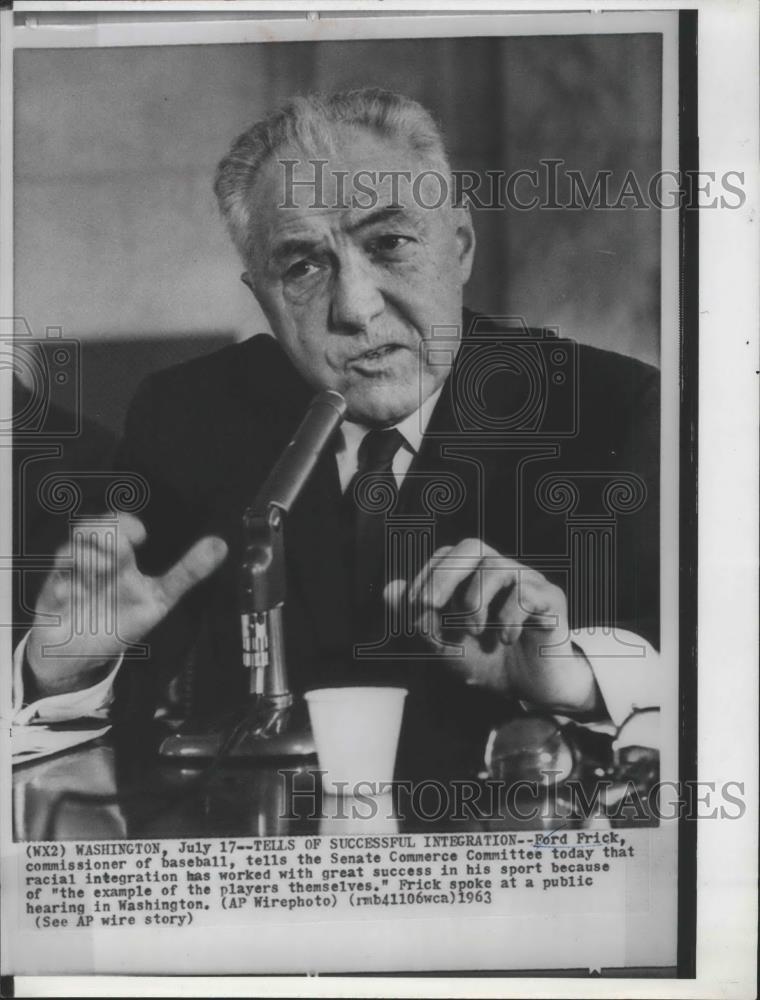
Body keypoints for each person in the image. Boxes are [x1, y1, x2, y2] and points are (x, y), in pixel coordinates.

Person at [13, 89, 659, 780]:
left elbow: (719, 685)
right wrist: (59, 672)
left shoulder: (613, 408)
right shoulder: (184, 416)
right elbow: (132, 732)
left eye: (390, 245)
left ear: (461, 247)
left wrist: (576, 679)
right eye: (302, 267)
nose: (355, 308)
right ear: (260, 294)